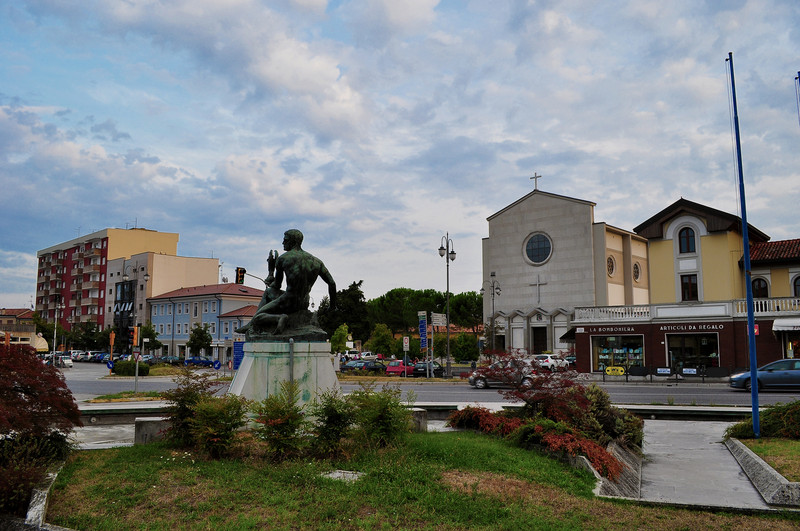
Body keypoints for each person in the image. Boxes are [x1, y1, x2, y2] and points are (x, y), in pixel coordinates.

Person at [239, 229, 336, 336]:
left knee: (258, 316)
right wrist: (332, 306)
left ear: (293, 242)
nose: (283, 243)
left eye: (285, 240)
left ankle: (277, 319)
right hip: (304, 302)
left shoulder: (283, 259)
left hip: (288, 301)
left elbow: (277, 285)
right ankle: (253, 324)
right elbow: (331, 283)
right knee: (269, 292)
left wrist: (271, 272)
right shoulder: (316, 261)